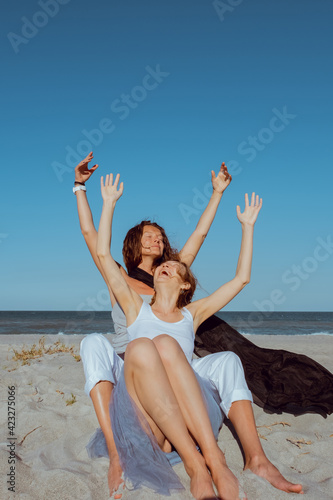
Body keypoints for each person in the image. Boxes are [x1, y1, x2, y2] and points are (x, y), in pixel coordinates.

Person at [76, 154, 303, 498]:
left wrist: (219, 195)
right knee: (98, 343)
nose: (157, 242)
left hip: (180, 375)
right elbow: (95, 241)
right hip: (131, 367)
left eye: (160, 238)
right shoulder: (125, 288)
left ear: (184, 282)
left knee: (220, 358)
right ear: (133, 244)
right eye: (148, 236)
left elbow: (204, 238)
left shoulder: (177, 280)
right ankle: (120, 454)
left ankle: (254, 458)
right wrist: (84, 189)